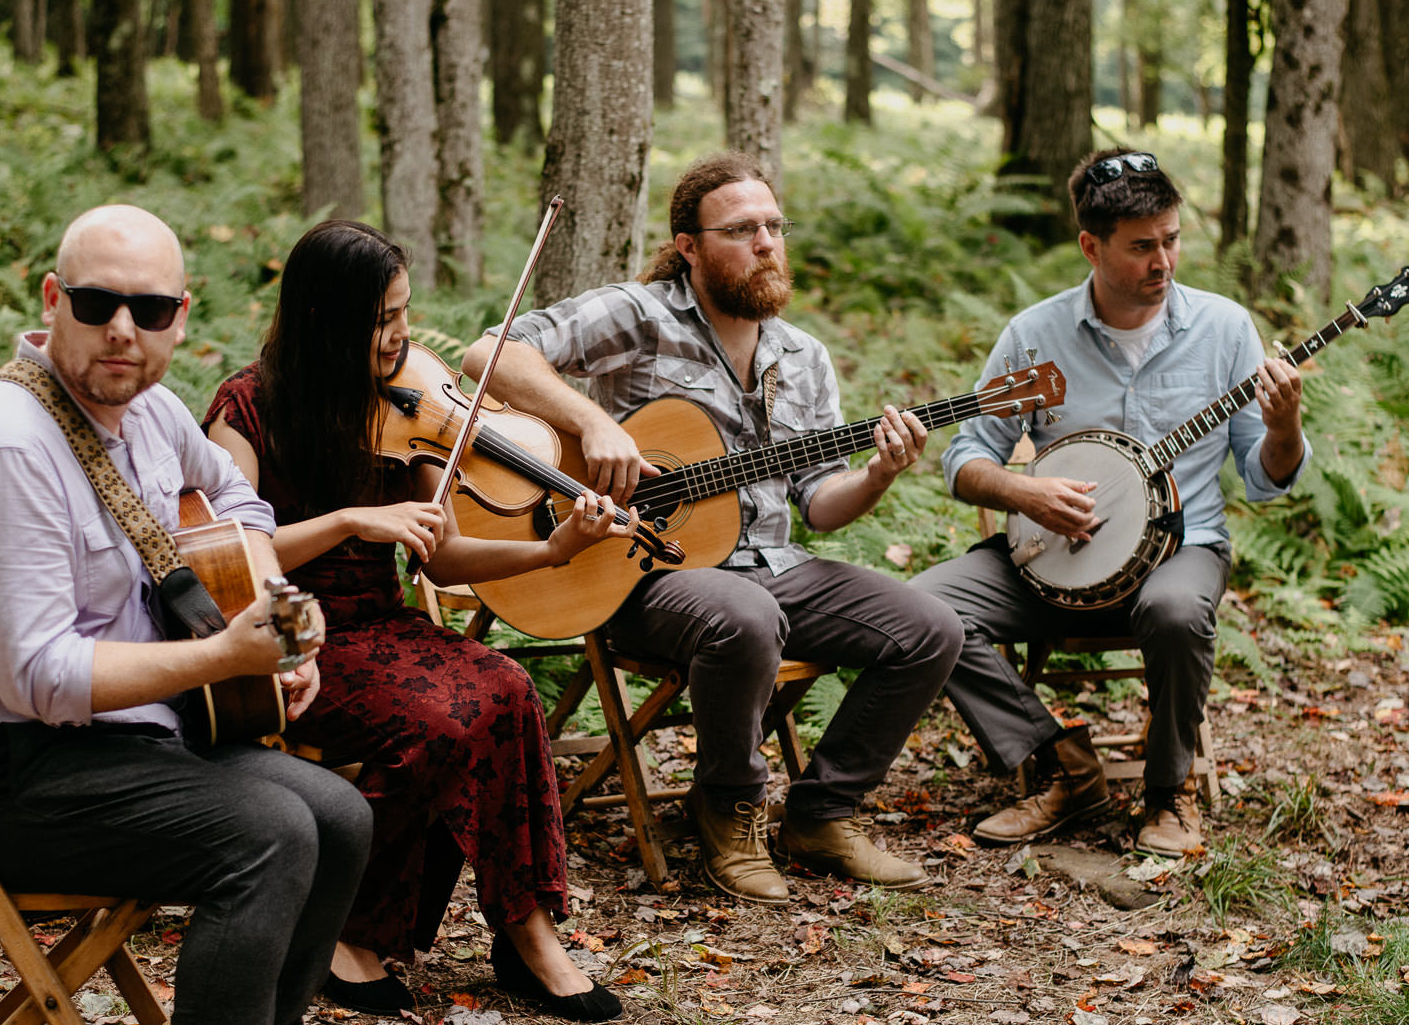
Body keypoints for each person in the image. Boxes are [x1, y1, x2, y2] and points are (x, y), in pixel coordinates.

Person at [0, 205, 371, 1025]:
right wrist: (220, 654)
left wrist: (276, 614)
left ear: (181, 318)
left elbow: (238, 502)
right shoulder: (5, 449)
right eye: (98, 303)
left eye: (148, 309)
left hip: (106, 739)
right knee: (270, 833)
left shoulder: (147, 410)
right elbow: (35, 679)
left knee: (338, 814)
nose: (122, 330)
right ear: (52, 302)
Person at [458, 152, 964, 906]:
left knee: (931, 628)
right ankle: (728, 806)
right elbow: (487, 353)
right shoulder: (642, 315)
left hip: (777, 563)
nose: (766, 243)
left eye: (773, 227)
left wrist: (881, 472)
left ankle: (821, 813)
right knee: (746, 616)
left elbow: (820, 504)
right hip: (645, 569)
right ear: (690, 245)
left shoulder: (803, 355)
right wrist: (593, 422)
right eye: (741, 230)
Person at [204, 219, 629, 1023]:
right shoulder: (248, 407)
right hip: (291, 632)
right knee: (442, 722)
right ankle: (349, 926)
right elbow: (229, 554)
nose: (401, 335)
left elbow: (445, 557)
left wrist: (556, 550)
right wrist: (348, 523)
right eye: (381, 320)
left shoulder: (406, 403)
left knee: (506, 686)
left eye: (403, 311)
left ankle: (525, 927)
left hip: (383, 623)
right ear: (325, 319)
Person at [911, 150, 1309, 856]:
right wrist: (1024, 490)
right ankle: (1063, 766)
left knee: (1177, 610)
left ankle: (1168, 795)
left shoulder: (1223, 329)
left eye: (1173, 239)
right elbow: (963, 457)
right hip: (1053, 557)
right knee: (922, 610)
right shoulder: (1036, 336)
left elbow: (1264, 477)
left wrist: (1283, 428)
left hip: (1178, 554)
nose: (1164, 261)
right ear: (1090, 246)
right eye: (1142, 246)